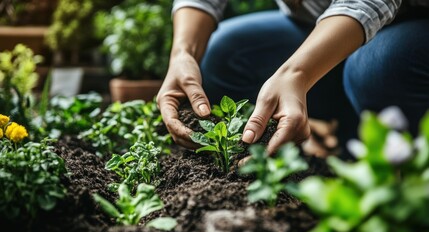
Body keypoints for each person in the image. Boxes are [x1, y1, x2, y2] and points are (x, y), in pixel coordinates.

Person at [156, 0, 429, 159]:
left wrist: (297, 73)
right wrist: (182, 53)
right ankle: (334, 125)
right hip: (322, 22)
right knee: (222, 56)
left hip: (413, 23)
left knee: (375, 67)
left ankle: (391, 159)